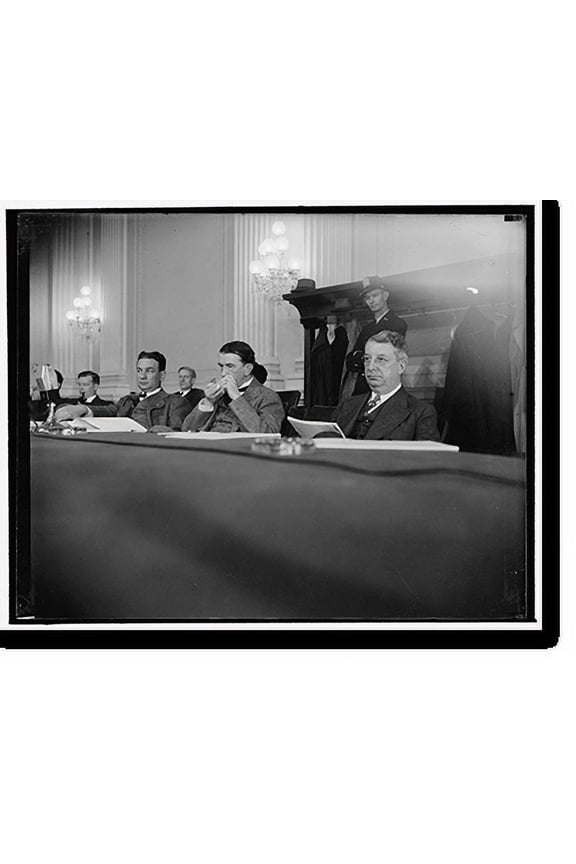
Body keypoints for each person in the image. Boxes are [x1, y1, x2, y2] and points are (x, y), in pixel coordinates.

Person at [332, 331, 439, 441]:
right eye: (367, 359)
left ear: (401, 366)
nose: (371, 367)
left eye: (381, 359)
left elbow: (427, 457)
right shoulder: (347, 405)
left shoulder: (421, 412)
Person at [55, 351, 190, 431]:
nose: (142, 376)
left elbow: (177, 433)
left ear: (162, 375)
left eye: (149, 371)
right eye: (139, 371)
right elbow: (109, 410)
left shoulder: (175, 402)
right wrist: (83, 409)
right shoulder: (128, 400)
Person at [182, 341, 284, 434]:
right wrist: (208, 401)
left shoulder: (267, 396)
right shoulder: (219, 394)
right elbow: (187, 429)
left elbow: (268, 434)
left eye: (230, 366)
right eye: (221, 366)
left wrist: (236, 397)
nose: (223, 373)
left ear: (247, 369)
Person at [344, 276, 408, 396]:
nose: (371, 301)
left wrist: (363, 358)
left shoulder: (397, 324)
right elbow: (350, 361)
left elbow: (387, 358)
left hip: (384, 386)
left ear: (385, 296)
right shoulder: (367, 328)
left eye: (375, 295)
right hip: (363, 388)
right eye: (367, 298)